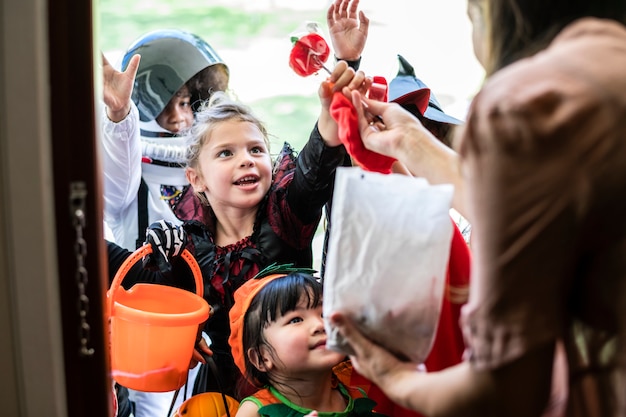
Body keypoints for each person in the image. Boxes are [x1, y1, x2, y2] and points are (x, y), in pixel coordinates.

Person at [329, 0, 626, 415]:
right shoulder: (610, 63)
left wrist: (395, 377)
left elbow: (505, 389)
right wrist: (408, 144)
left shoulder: (527, 103)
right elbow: (525, 210)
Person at [107, 58, 375, 405]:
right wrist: (160, 251)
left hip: (300, 392)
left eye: (256, 150)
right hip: (222, 398)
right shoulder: (190, 249)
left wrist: (333, 98)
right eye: (226, 153)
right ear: (196, 179)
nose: (246, 160)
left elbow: (316, 163)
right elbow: (139, 287)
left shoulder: (286, 215)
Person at [101, 29, 229, 252]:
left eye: (184, 103)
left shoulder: (219, 167)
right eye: (164, 107)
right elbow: (117, 171)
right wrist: (120, 113)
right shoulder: (129, 184)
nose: (178, 118)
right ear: (144, 109)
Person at [227, 268, 387, 417]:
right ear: (262, 357)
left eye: (324, 313)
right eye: (296, 319)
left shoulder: (357, 396)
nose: (320, 325)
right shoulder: (254, 411)